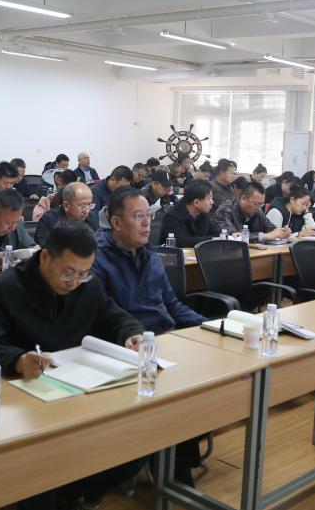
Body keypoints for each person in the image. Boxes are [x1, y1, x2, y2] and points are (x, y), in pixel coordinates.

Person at [0, 221, 145, 510]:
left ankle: (70, 494)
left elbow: (115, 316)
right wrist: (18, 360)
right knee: (45, 470)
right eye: (68, 272)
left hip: (78, 392)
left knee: (133, 446)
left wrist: (132, 333)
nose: (74, 282)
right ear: (45, 257)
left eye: (83, 274)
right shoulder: (5, 287)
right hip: (24, 401)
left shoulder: (87, 285)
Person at [92, 188, 208, 487]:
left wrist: (213, 325)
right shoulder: (98, 259)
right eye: (138, 216)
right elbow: (103, 316)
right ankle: (172, 479)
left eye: (149, 216)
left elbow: (173, 305)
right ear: (116, 222)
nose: (147, 223)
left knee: (204, 379)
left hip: (166, 340)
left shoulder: (151, 257)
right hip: (128, 348)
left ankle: (176, 463)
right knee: (176, 392)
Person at [214, 181, 289, 241]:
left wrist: (282, 232)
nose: (258, 208)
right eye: (255, 204)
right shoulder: (226, 209)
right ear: (243, 198)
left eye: (261, 204)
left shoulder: (258, 211)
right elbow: (234, 237)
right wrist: (264, 236)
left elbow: (271, 229)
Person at [159, 180, 220, 246]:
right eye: (209, 199)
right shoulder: (171, 217)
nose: (212, 202)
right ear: (196, 202)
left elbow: (217, 233)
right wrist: (210, 240)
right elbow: (180, 241)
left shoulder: (204, 214)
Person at [34, 182, 97, 246]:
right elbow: (45, 248)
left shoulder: (91, 218)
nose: (86, 211)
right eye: (82, 206)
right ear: (66, 205)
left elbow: (96, 246)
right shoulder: (49, 219)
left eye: (89, 205)